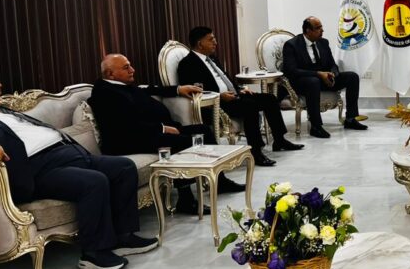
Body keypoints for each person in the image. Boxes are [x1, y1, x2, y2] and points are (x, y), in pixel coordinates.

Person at [0, 81, 157, 269]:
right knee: (94, 182)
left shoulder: (6, 112)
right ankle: (93, 253)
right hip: (38, 170)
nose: (0, 85)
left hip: (68, 153)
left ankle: (123, 237)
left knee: (123, 167)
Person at [88, 53, 238, 215]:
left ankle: (220, 181)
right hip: (128, 140)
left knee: (203, 130)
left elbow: (149, 89)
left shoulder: (121, 84)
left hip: (147, 132)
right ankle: (186, 200)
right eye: (126, 67)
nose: (132, 70)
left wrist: (178, 89)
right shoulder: (104, 93)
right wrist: (162, 128)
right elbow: (126, 125)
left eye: (130, 65)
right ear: (110, 74)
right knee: (183, 142)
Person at [177, 26, 302, 167]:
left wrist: (240, 90)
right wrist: (220, 96)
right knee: (250, 106)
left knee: (270, 99)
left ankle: (279, 140)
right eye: (211, 39)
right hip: (217, 103)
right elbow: (195, 91)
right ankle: (255, 151)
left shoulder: (211, 58)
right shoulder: (187, 64)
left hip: (233, 96)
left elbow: (224, 79)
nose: (215, 42)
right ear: (200, 44)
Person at [281, 16, 366, 138]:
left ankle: (350, 119)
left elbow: (332, 64)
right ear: (308, 30)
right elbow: (291, 71)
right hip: (303, 81)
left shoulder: (323, 42)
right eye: (318, 28)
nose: (322, 30)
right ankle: (316, 126)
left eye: (321, 27)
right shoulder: (292, 45)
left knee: (352, 77)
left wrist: (333, 74)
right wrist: (318, 74)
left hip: (323, 79)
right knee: (313, 81)